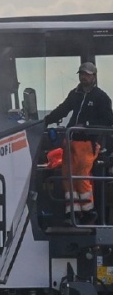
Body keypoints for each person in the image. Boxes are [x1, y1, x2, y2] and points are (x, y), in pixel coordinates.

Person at [43, 63, 112, 218]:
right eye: (81, 74)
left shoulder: (101, 97)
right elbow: (63, 109)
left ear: (94, 76)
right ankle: (73, 211)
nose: (84, 77)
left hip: (88, 143)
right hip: (70, 141)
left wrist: (87, 126)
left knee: (81, 175)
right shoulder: (75, 94)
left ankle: (89, 211)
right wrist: (46, 121)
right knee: (67, 176)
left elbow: (108, 121)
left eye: (87, 74)